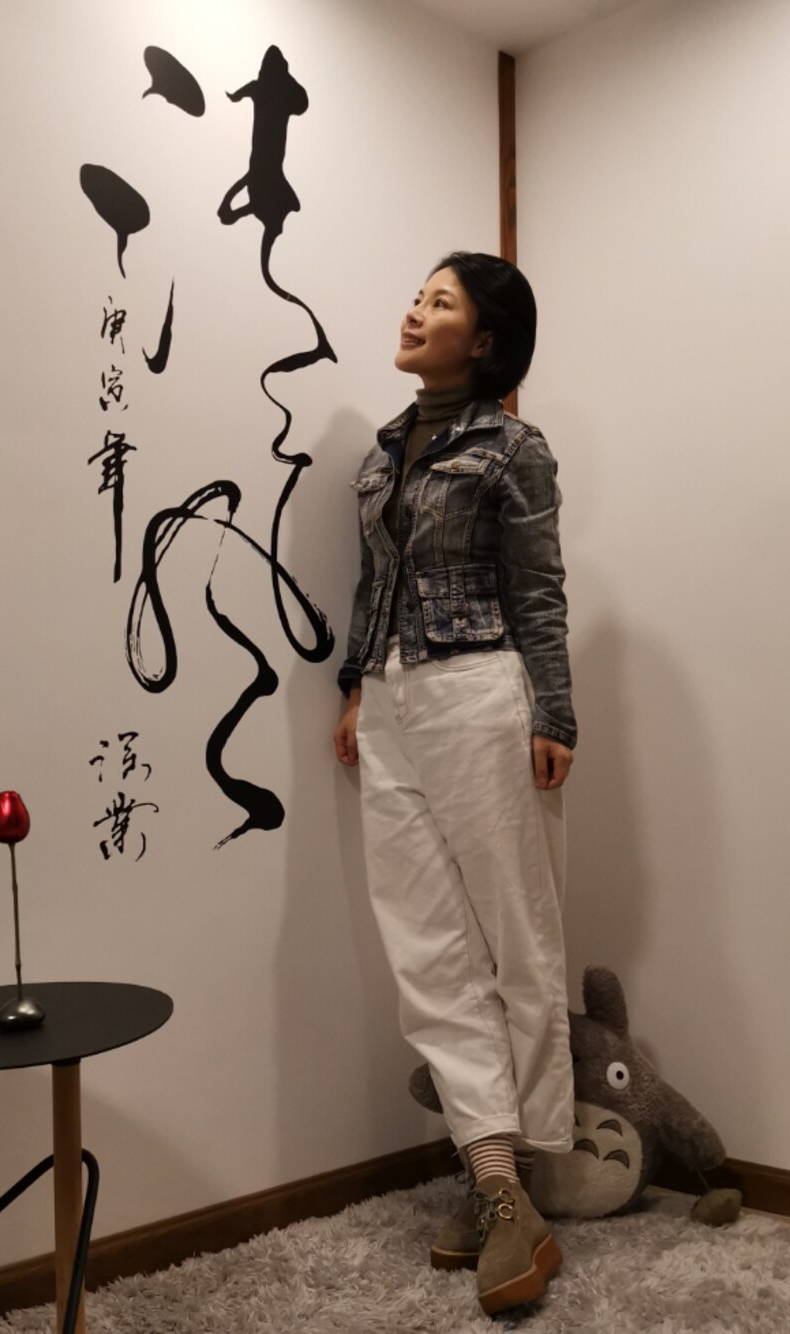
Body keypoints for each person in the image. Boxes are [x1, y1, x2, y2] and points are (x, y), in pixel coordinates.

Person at [333, 252, 576, 1318]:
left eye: (439, 302)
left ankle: (527, 1179)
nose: (415, 311)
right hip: (393, 702)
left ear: (482, 340)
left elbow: (538, 586)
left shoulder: (515, 447)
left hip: (481, 691)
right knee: (427, 948)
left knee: (516, 937)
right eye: (417, 296)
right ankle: (494, 1181)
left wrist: (554, 712)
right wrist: (356, 686)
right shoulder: (383, 452)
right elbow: (372, 584)